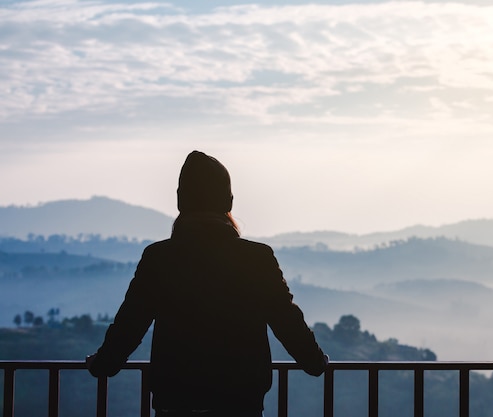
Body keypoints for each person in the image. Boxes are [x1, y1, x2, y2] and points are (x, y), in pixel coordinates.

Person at [87, 151, 328, 417]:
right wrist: (315, 363)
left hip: (176, 401)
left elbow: (130, 324)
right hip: (240, 403)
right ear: (229, 201)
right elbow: (287, 320)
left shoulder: (159, 258)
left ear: (180, 200)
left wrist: (103, 365)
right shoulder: (257, 258)